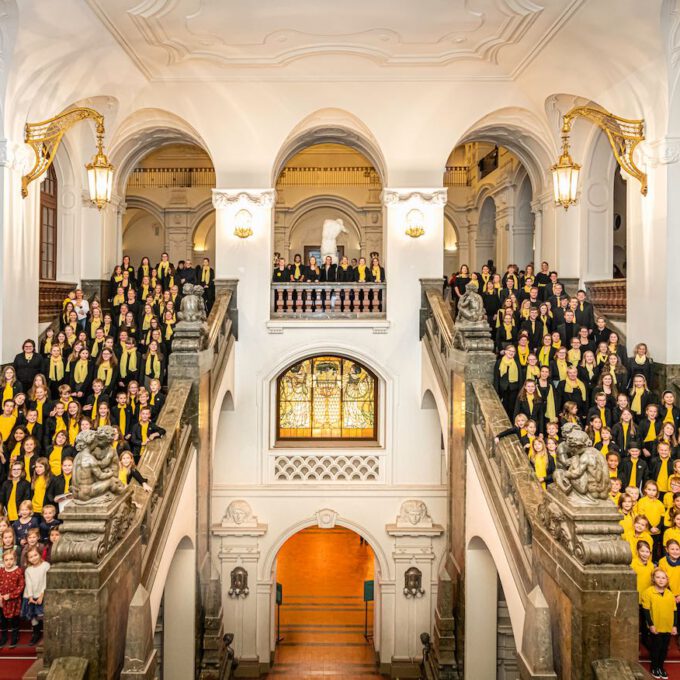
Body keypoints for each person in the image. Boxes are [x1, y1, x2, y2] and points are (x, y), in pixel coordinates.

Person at [641, 568, 678, 679]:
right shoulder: (648, 592)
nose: (661, 580)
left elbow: (674, 611)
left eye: (663, 578)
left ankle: (661, 667)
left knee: (664, 649)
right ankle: (654, 667)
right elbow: (646, 611)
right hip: (656, 626)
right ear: (653, 578)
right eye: (658, 577)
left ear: (667, 580)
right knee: (656, 649)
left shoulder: (670, 594)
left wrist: (674, 625)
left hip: (668, 626)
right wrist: (651, 625)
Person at [21, 545, 49, 645]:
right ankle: (36, 633)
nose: (34, 558)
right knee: (32, 615)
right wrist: (30, 597)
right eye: (31, 557)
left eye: (35, 555)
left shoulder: (46, 565)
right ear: (28, 559)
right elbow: (28, 583)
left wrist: (42, 595)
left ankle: (47, 634)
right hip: (30, 595)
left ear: (40, 554)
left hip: (42, 594)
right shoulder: (28, 570)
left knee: (42, 615)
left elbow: (46, 581)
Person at [0, 549, 25, 648]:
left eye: (11, 559)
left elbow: (21, 586)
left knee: (14, 619)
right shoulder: (1, 571)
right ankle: (4, 636)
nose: (9, 562)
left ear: (15, 559)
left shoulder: (18, 571)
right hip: (2, 600)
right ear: (3, 561)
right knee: (3, 620)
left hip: (14, 600)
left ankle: (15, 635)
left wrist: (10, 595)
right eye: (6, 560)